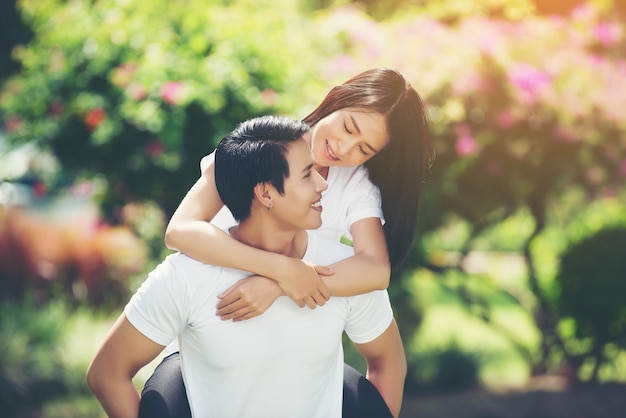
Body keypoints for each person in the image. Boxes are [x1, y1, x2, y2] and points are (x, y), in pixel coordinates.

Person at [142, 67, 432, 416]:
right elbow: (181, 231)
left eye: (364, 149)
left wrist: (277, 285)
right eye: (348, 127)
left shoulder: (355, 184)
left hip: (294, 345)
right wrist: (280, 269)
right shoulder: (257, 147)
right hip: (218, 333)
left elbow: (375, 268)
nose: (344, 148)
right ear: (337, 99)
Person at [87, 115, 407, 418]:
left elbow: (387, 363)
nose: (324, 185)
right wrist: (282, 272)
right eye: (308, 174)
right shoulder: (187, 277)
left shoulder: (343, 272)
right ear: (265, 193)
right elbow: (107, 373)